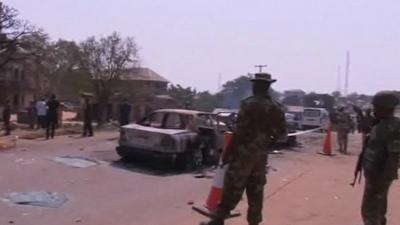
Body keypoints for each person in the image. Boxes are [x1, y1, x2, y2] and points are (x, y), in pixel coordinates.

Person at [201, 73, 287, 225]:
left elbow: (239, 132)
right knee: (256, 191)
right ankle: (254, 222)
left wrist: (228, 152)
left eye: (255, 84)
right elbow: (282, 135)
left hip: (242, 154)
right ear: (267, 86)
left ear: (258, 86)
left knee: (232, 187)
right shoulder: (276, 107)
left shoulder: (248, 104)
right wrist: (267, 140)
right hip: (260, 157)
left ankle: (218, 220)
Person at [361, 91, 400, 225]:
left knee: (370, 210)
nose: (374, 109)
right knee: (376, 208)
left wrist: (384, 178)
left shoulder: (393, 127)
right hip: (374, 174)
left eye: (376, 107)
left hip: (380, 176)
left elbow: (394, 155)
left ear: (387, 108)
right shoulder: (381, 124)